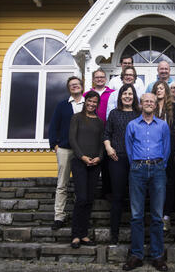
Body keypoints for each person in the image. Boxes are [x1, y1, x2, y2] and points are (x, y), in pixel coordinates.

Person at [123, 93, 170, 272]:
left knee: (157, 216)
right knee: (137, 215)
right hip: (137, 169)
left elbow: (167, 148)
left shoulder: (163, 125)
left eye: (152, 101)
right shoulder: (132, 125)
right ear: (141, 105)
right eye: (146, 101)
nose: (149, 103)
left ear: (156, 105)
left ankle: (157, 256)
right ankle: (137, 255)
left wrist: (160, 166)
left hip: (158, 169)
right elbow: (129, 149)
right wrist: (137, 165)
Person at [103, 84, 140, 246]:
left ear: (134, 96)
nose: (127, 96)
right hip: (117, 158)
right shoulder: (114, 113)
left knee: (136, 198)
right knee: (117, 197)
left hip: (136, 160)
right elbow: (106, 134)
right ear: (120, 96)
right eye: (124, 93)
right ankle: (114, 234)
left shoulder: (139, 114)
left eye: (130, 94)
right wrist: (109, 148)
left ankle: (136, 236)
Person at [48, 76, 85, 230]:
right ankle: (59, 216)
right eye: (72, 85)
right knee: (62, 184)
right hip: (64, 149)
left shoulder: (87, 104)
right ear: (69, 89)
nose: (75, 86)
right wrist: (55, 145)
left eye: (77, 84)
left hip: (82, 151)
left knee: (79, 185)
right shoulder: (62, 105)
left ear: (82, 87)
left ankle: (79, 217)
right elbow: (53, 126)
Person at [69, 91, 105, 249]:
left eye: (95, 102)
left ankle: (84, 234)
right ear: (85, 101)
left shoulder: (99, 122)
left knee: (89, 199)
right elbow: (72, 139)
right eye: (89, 101)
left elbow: (102, 142)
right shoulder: (76, 117)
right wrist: (82, 156)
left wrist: (99, 157)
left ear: (98, 104)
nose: (92, 104)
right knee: (81, 198)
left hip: (95, 164)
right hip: (79, 163)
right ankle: (75, 235)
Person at [151, 81, 175, 232]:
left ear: (166, 91)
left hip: (170, 150)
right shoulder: (150, 106)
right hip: (152, 150)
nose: (159, 91)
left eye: (162, 88)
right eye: (157, 89)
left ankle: (166, 216)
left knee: (169, 183)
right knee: (155, 184)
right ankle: (156, 215)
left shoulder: (174, 108)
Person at [84, 68, 115, 199]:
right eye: (97, 77)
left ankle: (106, 191)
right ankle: (90, 191)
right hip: (91, 132)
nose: (100, 79)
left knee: (107, 163)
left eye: (102, 77)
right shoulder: (87, 94)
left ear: (106, 78)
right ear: (93, 79)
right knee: (93, 159)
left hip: (108, 131)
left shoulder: (112, 93)